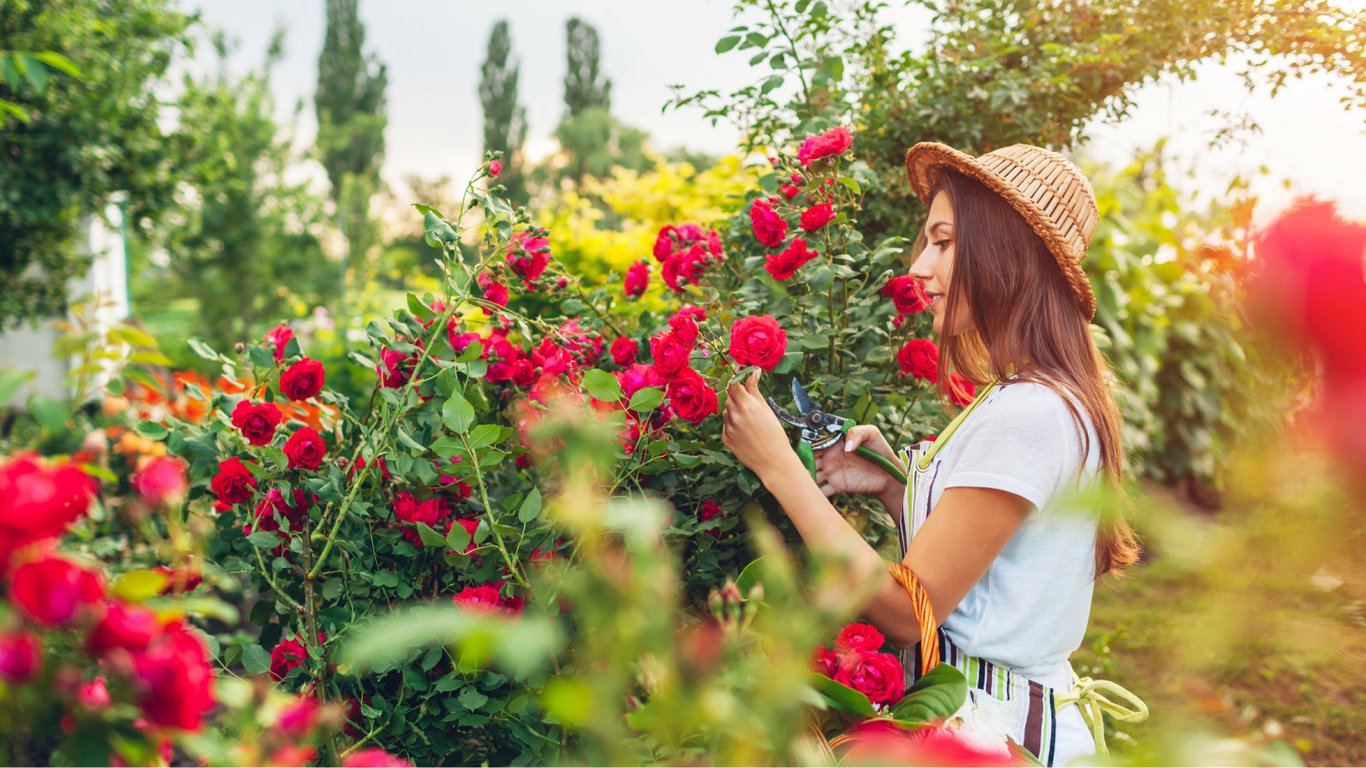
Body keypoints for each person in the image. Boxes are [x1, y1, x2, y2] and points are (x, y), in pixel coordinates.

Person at [721, 142, 1143, 765]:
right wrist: (895, 486)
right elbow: (985, 576)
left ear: (1007, 252)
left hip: (997, 736)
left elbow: (905, 610)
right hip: (981, 721)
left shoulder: (1029, 412)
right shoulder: (1023, 395)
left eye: (942, 242)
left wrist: (781, 469)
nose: (919, 266)